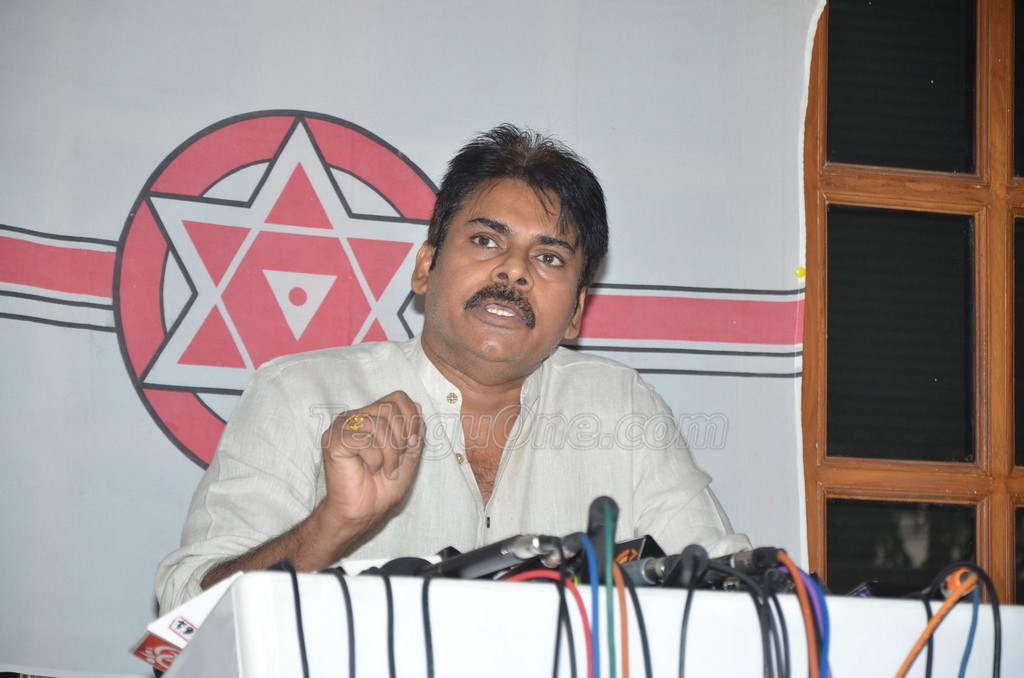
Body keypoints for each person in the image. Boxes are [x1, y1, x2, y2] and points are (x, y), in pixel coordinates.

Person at [155, 123, 749, 612]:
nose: (513, 272)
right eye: (487, 241)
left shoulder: (622, 406)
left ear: (575, 312)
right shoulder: (300, 392)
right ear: (425, 267)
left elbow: (732, 592)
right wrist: (333, 525)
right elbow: (181, 619)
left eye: (548, 257)